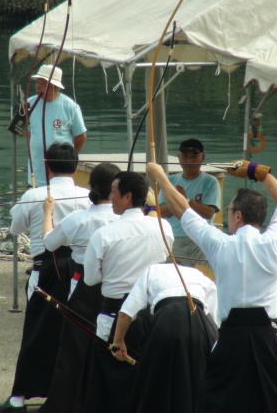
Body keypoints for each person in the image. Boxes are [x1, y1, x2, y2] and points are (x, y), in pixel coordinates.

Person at [147, 159, 277, 413]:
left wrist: (159, 177)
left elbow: (182, 210)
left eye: (229, 209)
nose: (228, 213)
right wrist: (257, 172)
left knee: (218, 405)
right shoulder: (273, 242)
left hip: (231, 340)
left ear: (238, 216)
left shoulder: (219, 244)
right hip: (269, 339)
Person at [0, 142, 91, 413]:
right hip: (80, 271)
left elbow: (16, 228)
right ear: (76, 165)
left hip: (45, 268)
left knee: (37, 330)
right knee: (74, 330)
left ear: (47, 166)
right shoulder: (87, 196)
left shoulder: (34, 195)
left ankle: (19, 398)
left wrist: (35, 204)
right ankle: (74, 395)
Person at [82, 171, 172, 413]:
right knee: (145, 377)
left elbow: (90, 279)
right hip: (152, 319)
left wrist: (112, 274)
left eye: (114, 191)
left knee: (108, 381)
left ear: (127, 196)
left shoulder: (104, 234)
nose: (110, 196)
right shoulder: (164, 227)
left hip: (114, 314)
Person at [38, 162, 120, 413]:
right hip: (118, 287)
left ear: (92, 187)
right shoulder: (122, 219)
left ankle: (69, 403)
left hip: (84, 284)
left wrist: (48, 213)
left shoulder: (78, 219)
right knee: (112, 345)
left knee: (76, 347)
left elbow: (49, 244)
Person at [111, 263, 218, 413]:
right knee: (198, 384)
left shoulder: (151, 270)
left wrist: (118, 342)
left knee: (155, 383)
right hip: (200, 325)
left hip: (165, 322)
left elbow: (126, 313)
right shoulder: (202, 276)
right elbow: (215, 322)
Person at [158, 139, 221, 265]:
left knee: (219, 265)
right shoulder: (170, 180)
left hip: (198, 239)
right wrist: (177, 201)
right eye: (185, 156)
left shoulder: (210, 182)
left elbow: (208, 213)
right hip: (173, 238)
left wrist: (185, 200)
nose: (189, 160)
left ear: (202, 158)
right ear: (179, 158)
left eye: (194, 156)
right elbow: (160, 212)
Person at [26, 64, 87, 187]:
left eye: (42, 83)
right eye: (37, 82)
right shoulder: (29, 104)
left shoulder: (70, 106)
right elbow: (27, 132)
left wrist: (68, 160)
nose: (37, 87)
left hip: (59, 178)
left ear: (53, 85)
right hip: (35, 174)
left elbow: (81, 137)